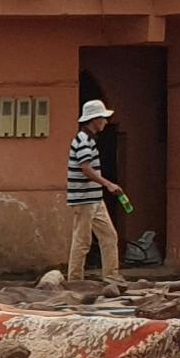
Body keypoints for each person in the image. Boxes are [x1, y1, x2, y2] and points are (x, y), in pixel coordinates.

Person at [62, 95, 131, 285]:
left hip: (94, 198)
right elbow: (86, 168)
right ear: (95, 120)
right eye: (103, 118)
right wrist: (108, 184)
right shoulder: (83, 140)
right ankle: (75, 280)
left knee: (109, 236)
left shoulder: (88, 140)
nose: (106, 122)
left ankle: (111, 276)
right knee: (82, 240)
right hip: (85, 198)